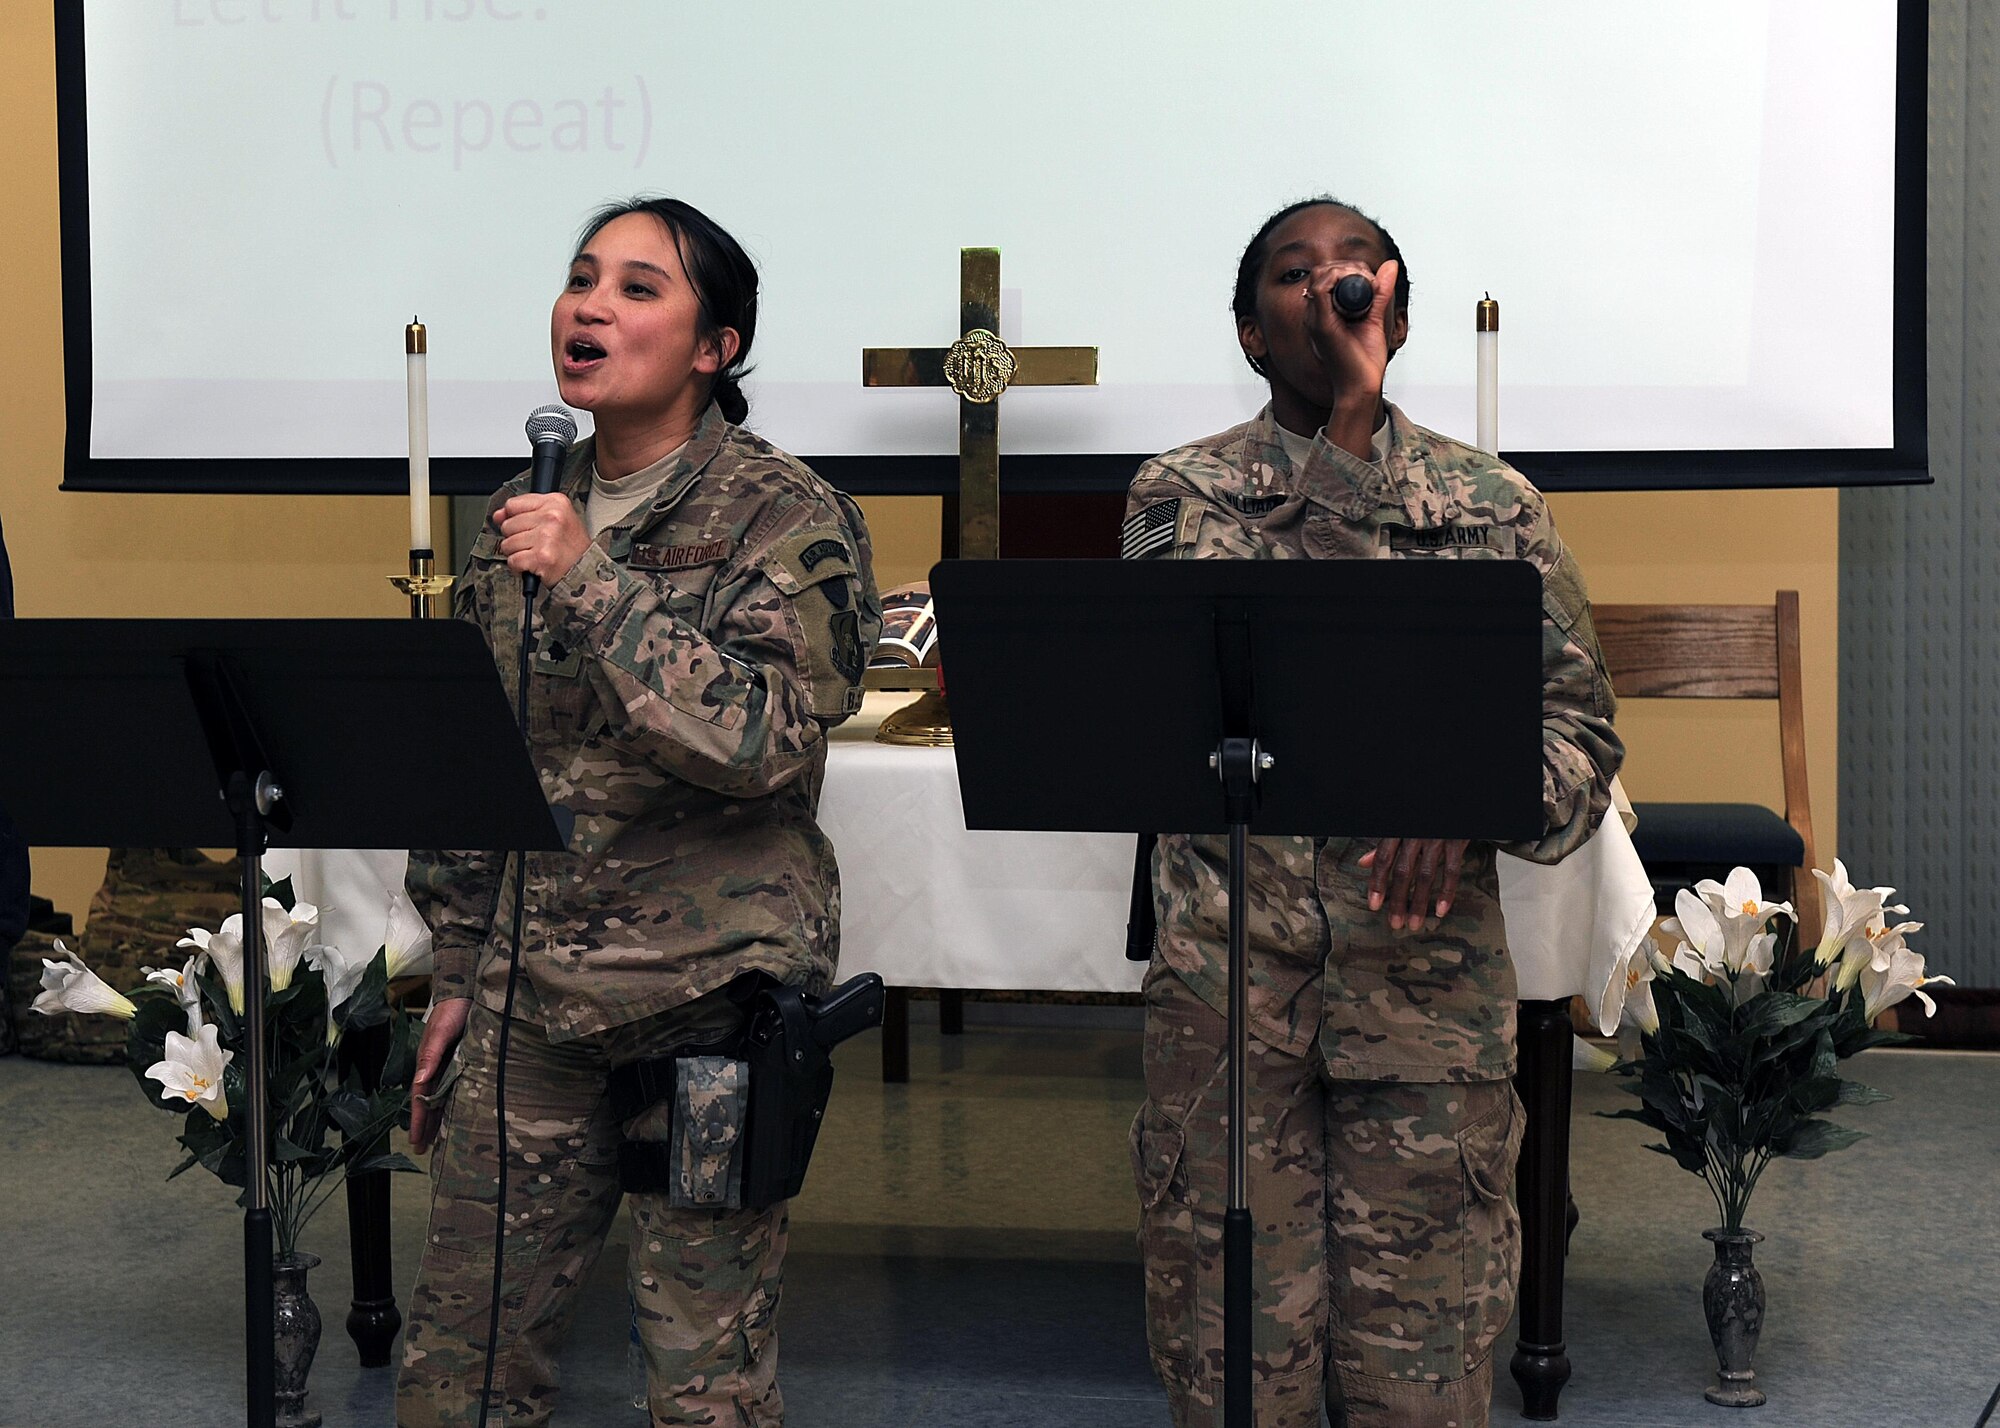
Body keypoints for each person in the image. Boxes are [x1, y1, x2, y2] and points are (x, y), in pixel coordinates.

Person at [1121, 198, 1624, 1428]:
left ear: (1389, 306)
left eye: (1355, 270)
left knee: (1420, 1371)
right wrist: (1347, 441)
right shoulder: (1180, 497)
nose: (1329, 289)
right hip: (1233, 999)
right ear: (1250, 333)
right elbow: (1194, 709)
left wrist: (1470, 793)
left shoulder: (1492, 504)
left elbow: (1580, 731)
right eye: (1296, 275)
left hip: (1424, 999)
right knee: (1236, 1363)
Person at [398, 196, 882, 1428]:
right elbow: (471, 761)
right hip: (524, 1005)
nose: (589, 307)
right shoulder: (520, 514)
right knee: (459, 1371)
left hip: (701, 1006)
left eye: (635, 287)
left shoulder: (785, 517)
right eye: (578, 280)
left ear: (715, 348)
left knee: (701, 1382)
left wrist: (592, 583)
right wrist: (457, 963)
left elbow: (766, 738)